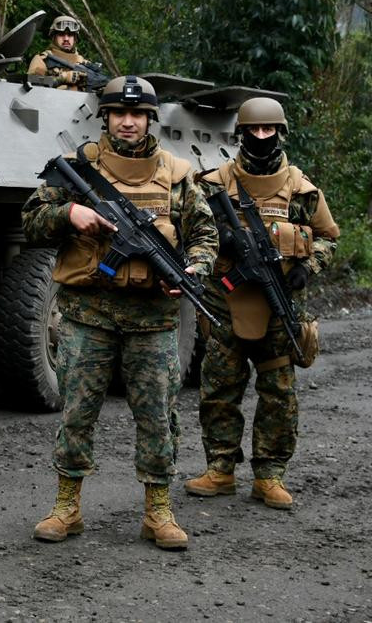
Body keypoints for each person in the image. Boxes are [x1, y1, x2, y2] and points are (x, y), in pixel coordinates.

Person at [22, 76, 218, 550]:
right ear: (105, 117)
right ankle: (67, 506)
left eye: (137, 114)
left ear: (150, 118)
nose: (127, 122)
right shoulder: (78, 168)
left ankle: (158, 510)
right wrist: (69, 215)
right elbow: (31, 220)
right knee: (77, 413)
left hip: (153, 320)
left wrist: (195, 267)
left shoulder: (177, 173)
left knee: (157, 415)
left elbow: (206, 236)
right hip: (88, 315)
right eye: (118, 113)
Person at [186, 96, 339, 510]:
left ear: (279, 132)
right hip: (224, 303)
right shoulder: (213, 184)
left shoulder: (301, 189)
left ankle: (269, 475)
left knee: (279, 394)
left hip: (278, 308)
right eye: (252, 130)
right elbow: (192, 231)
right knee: (218, 388)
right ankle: (220, 469)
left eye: (267, 129)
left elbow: (328, 237)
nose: (259, 136)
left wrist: (310, 265)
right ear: (241, 134)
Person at [26, 15, 96, 90]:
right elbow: (31, 83)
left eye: (70, 35)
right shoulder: (43, 59)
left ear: (75, 38)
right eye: (61, 34)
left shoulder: (84, 63)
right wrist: (61, 78)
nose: (66, 39)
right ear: (54, 37)